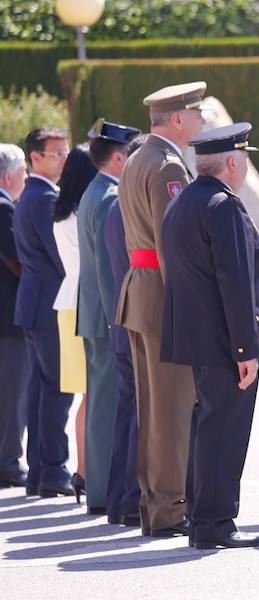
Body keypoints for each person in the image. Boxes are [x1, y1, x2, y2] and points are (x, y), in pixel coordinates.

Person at [160, 123, 259, 550]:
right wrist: (245, 348)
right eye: (244, 159)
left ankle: (201, 517)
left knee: (208, 425)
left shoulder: (185, 200)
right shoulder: (223, 205)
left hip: (199, 337)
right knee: (224, 429)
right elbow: (235, 282)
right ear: (232, 162)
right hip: (226, 342)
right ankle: (216, 522)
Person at [116, 81, 206, 537]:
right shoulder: (168, 164)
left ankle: (155, 504)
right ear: (176, 119)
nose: (202, 120)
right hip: (164, 296)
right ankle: (170, 508)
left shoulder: (137, 157)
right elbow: (175, 244)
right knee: (171, 409)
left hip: (140, 291)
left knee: (152, 408)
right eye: (196, 113)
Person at [76, 119, 141, 516]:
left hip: (97, 313)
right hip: (106, 315)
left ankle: (101, 489)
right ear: (118, 158)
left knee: (104, 401)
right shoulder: (109, 197)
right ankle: (102, 491)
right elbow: (107, 269)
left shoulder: (95, 191)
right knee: (106, 406)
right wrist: (119, 317)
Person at [13, 127, 75, 499]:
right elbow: (61, 255)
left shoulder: (34, 194)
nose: (64, 160)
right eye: (57, 154)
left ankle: (41, 469)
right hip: (48, 307)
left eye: (66, 153)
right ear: (35, 157)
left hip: (36, 305)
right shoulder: (42, 198)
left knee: (42, 388)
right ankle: (52, 469)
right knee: (56, 388)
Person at [104, 133, 147, 528]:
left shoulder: (118, 206)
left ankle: (120, 501)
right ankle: (131, 500)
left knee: (126, 415)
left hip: (121, 319)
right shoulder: (127, 208)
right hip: (134, 320)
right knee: (137, 416)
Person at [52, 144, 96, 504]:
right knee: (93, 392)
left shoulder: (61, 213)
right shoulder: (84, 212)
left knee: (86, 393)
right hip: (85, 300)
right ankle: (86, 468)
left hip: (67, 299)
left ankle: (83, 469)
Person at [0, 143, 29, 489]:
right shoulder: (5, 208)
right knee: (12, 394)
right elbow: (16, 260)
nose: (26, 178)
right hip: (8, 316)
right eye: (23, 173)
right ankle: (8, 463)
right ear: (8, 176)